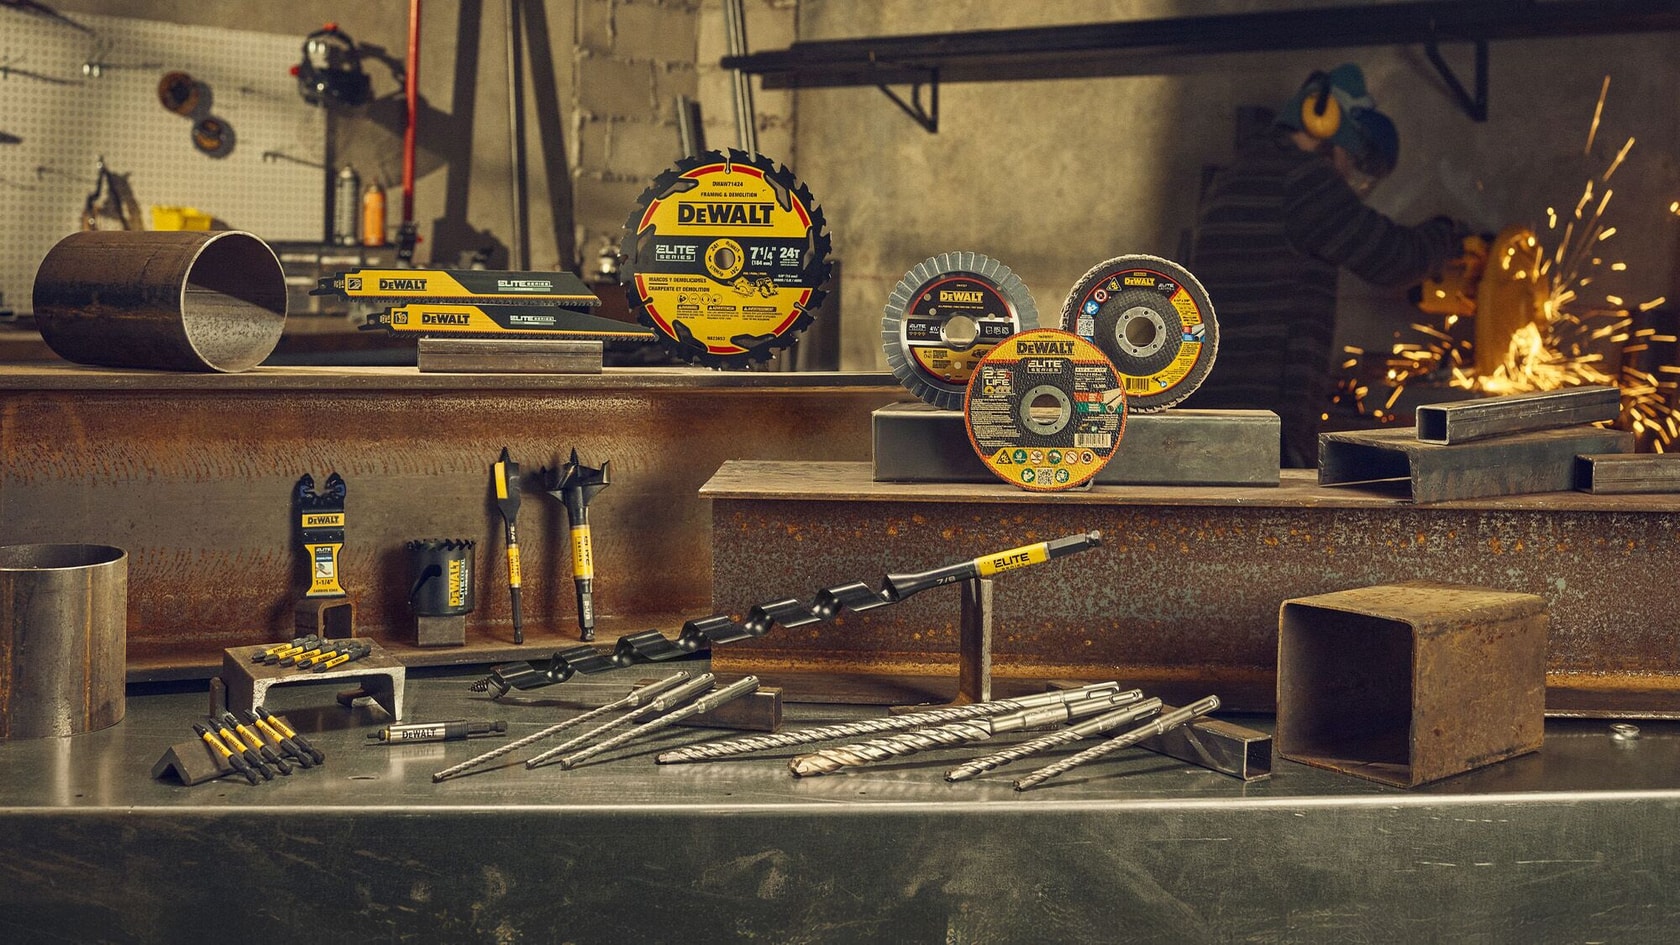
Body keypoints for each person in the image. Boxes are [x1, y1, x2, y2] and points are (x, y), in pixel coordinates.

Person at [1183, 63, 1467, 468]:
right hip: (1261, 419)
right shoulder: (1302, 180)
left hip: (1223, 406)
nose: (1348, 173)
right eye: (1351, 158)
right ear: (1324, 124)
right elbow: (1394, 259)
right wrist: (1449, 234)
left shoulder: (1243, 172)